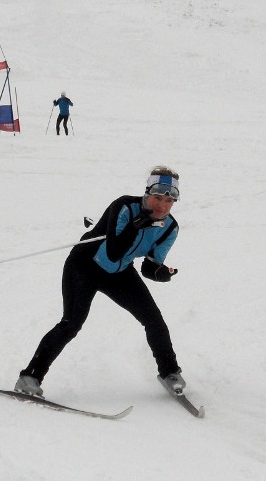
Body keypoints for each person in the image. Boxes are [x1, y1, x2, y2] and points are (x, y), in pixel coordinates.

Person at [15, 166, 185, 397]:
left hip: (120, 273)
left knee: (153, 320)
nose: (162, 206)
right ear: (147, 193)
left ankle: (169, 372)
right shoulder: (124, 206)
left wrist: (162, 273)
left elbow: (149, 267)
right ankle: (30, 376)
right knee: (71, 323)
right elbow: (114, 251)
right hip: (84, 266)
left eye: (168, 201)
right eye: (157, 198)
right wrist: (137, 225)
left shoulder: (170, 228)